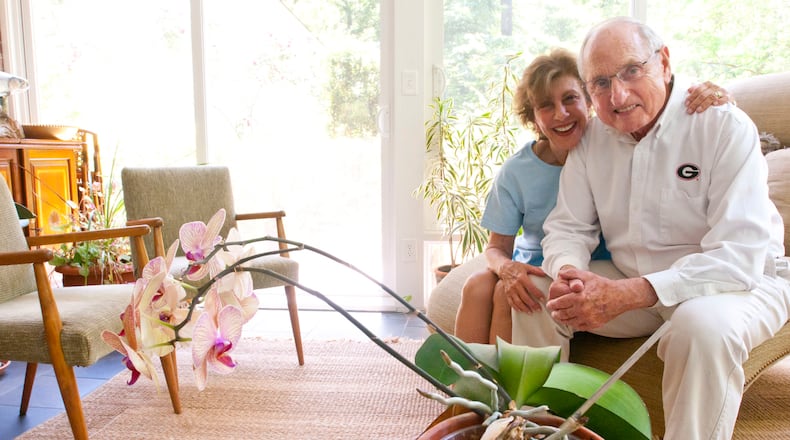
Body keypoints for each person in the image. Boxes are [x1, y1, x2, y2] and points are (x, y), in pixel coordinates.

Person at [515, 17, 790, 440]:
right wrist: (569, 273)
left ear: (663, 62)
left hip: (739, 285)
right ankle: (537, 429)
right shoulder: (592, 141)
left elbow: (740, 258)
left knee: (701, 327)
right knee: (538, 291)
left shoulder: (722, 125)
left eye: (630, 71)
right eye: (601, 83)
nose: (618, 95)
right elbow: (567, 227)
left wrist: (633, 292)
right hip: (635, 284)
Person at [453, 47, 731, 344]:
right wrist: (507, 269)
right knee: (478, 286)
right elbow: (497, 247)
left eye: (570, 99)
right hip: (535, 264)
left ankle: (501, 387)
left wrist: (714, 95)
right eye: (546, 105)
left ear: (589, 100)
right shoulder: (518, 171)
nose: (561, 114)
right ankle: (462, 383)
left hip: (600, 268)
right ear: (533, 117)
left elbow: (662, 107)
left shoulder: (615, 143)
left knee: (505, 295)